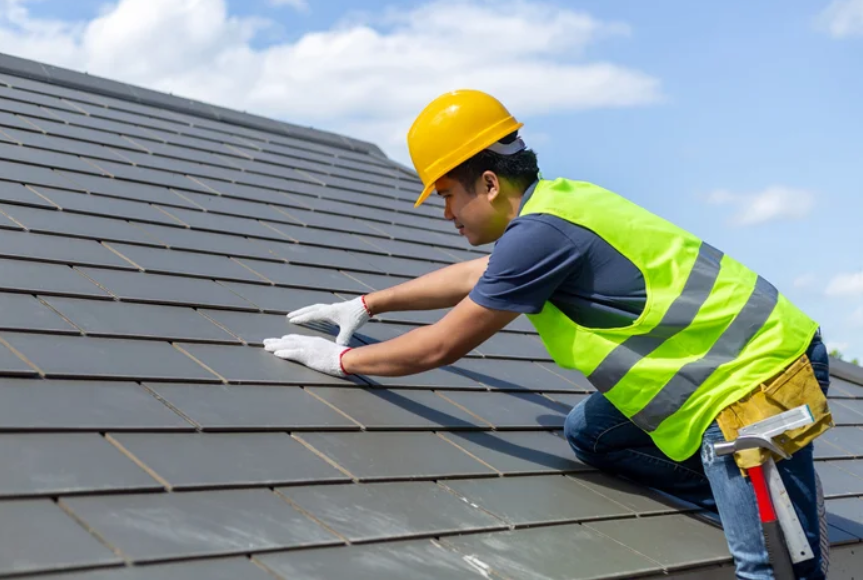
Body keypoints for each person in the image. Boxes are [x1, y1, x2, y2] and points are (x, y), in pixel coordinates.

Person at [263, 89, 832, 579]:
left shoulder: (541, 234)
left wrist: (340, 363)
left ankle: (774, 513)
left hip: (756, 384)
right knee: (590, 433)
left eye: (446, 195)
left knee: (774, 568)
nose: (445, 214)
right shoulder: (555, 206)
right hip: (729, 371)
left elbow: (441, 345)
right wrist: (366, 305)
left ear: (487, 183)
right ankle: (760, 500)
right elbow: (475, 276)